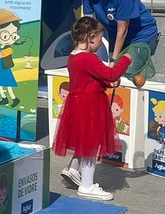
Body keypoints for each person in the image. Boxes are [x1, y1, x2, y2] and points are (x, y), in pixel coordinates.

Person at [55, 16, 130, 201]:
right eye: (98, 39)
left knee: (85, 142)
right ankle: (87, 185)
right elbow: (111, 72)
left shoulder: (74, 57)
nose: (99, 45)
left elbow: (93, 78)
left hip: (80, 102)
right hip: (90, 104)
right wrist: (126, 60)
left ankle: (74, 170)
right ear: (90, 37)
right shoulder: (88, 58)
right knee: (90, 145)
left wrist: (107, 82)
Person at [80, 0, 159, 88]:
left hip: (141, 37)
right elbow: (89, 23)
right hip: (115, 36)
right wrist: (84, 51)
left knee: (122, 73)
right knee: (107, 77)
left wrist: (114, 62)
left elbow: (123, 29)